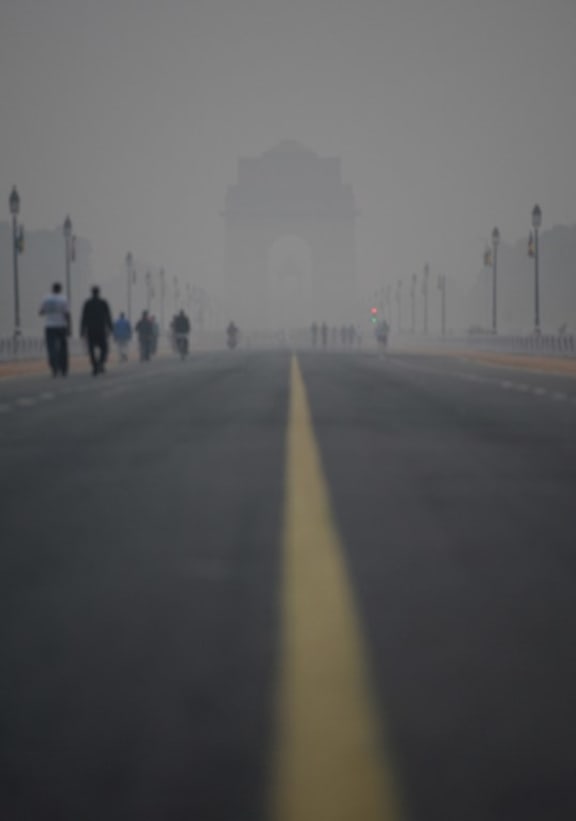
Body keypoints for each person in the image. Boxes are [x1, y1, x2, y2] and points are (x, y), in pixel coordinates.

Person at [39, 282, 70, 377]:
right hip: (61, 326)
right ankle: (63, 368)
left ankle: (54, 367)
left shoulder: (46, 299)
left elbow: (41, 312)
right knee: (63, 348)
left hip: (49, 326)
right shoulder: (63, 299)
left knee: (51, 348)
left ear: (52, 289)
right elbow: (67, 314)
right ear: (60, 289)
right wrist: (69, 327)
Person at [80, 286, 113, 375]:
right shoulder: (103, 303)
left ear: (92, 292)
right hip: (101, 329)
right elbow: (108, 316)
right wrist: (111, 328)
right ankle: (101, 363)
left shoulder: (87, 303)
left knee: (91, 349)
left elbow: (83, 318)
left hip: (91, 329)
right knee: (104, 348)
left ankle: (94, 365)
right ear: (98, 292)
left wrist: (82, 330)